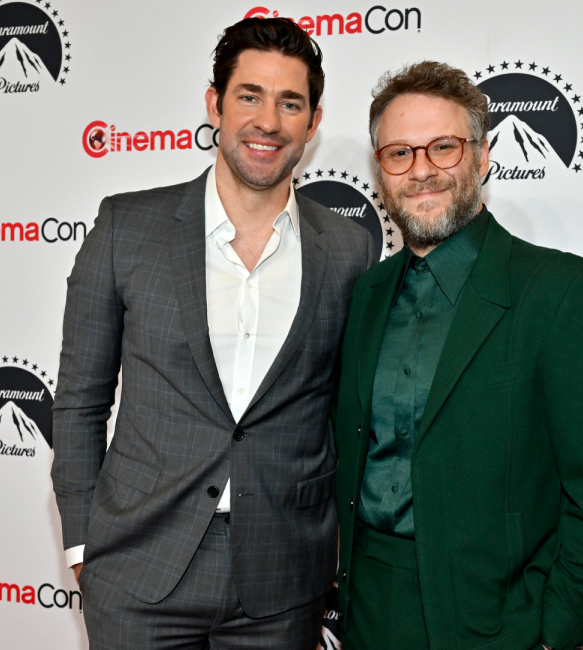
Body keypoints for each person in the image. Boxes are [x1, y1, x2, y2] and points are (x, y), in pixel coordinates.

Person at [51, 18, 374, 650]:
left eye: (290, 103)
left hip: (283, 578)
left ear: (312, 123)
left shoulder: (350, 249)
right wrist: (87, 549)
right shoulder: (126, 227)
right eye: (249, 96)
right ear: (214, 105)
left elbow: (349, 414)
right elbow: (79, 400)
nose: (268, 122)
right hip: (138, 568)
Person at [333, 61, 583, 650]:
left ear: (481, 157)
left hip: (496, 624)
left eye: (444, 148)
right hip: (365, 613)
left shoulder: (566, 295)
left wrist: (552, 635)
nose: (421, 170)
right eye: (399, 153)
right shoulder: (367, 294)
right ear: (381, 172)